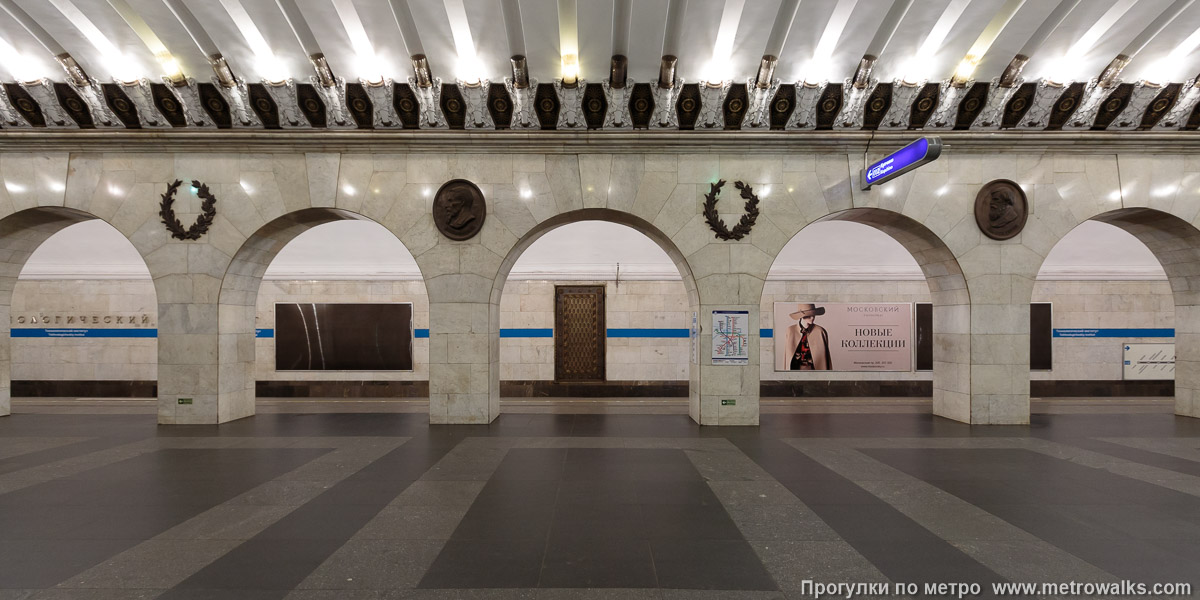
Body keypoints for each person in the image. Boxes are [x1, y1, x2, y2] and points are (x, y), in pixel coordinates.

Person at [784, 303, 832, 370]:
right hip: (795, 371)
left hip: (815, 373)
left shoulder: (820, 331)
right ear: (801, 316)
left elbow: (826, 359)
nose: (812, 318)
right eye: (809, 315)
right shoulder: (791, 331)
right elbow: (787, 358)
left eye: (813, 315)